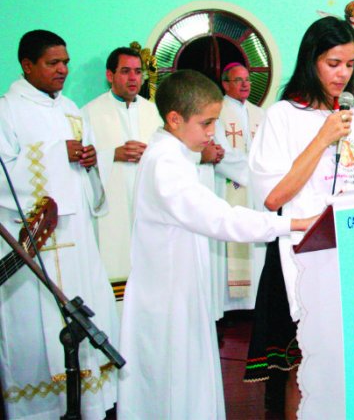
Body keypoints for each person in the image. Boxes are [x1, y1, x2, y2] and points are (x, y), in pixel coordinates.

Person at [244, 16, 354, 418]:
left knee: (349, 363)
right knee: (300, 369)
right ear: (311, 60)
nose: (343, 74)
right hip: (299, 259)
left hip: (351, 259)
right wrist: (323, 137)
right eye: (333, 63)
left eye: (350, 64)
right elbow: (273, 196)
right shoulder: (283, 116)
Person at [116, 70, 313, 420]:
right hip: (166, 300)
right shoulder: (165, 164)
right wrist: (292, 223)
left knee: (187, 382)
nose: (212, 132)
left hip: (179, 292)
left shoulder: (174, 154)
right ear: (175, 119)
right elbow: (220, 218)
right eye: (206, 123)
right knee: (174, 386)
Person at [0, 30, 119, 419]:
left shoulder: (70, 108)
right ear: (27, 65)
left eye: (66, 62)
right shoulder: (7, 111)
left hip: (76, 233)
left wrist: (88, 160)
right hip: (34, 237)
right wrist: (55, 154)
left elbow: (86, 177)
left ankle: (89, 403)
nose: (63, 70)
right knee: (36, 327)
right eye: (53, 63)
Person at [82, 47, 163, 312]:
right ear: (110, 75)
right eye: (125, 71)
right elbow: (80, 165)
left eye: (138, 72)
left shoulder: (156, 113)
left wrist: (151, 154)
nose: (133, 78)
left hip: (148, 208)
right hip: (111, 212)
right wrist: (111, 154)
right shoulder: (88, 113)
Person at [211, 62, 267, 313]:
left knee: (256, 243)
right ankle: (231, 306)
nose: (245, 84)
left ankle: (255, 300)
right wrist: (251, 170)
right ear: (225, 84)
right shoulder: (217, 112)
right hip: (231, 186)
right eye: (238, 80)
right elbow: (220, 151)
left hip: (255, 190)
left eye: (247, 80)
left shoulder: (259, 113)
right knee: (230, 240)